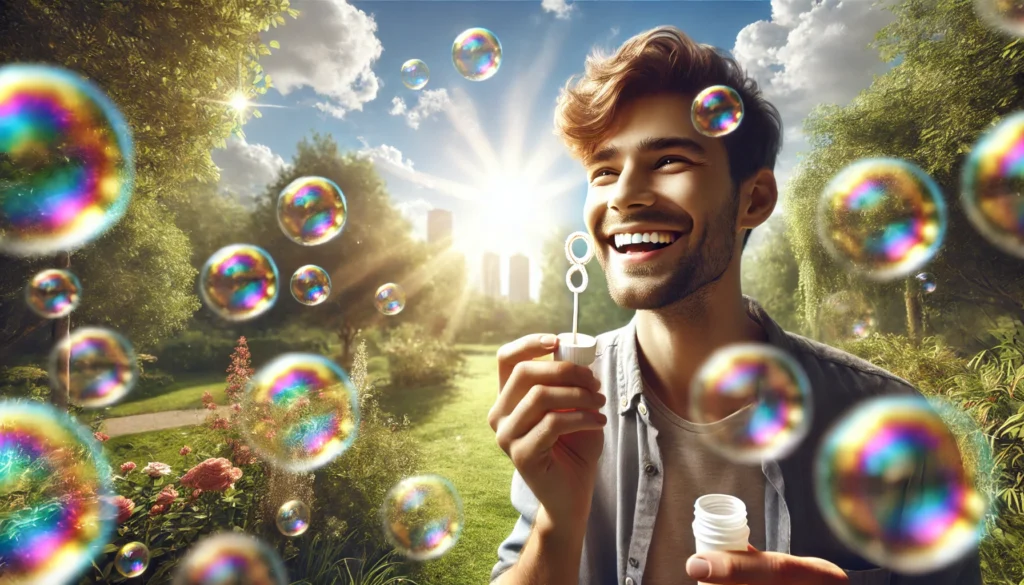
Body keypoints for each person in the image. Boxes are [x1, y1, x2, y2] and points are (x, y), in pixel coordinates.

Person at [486, 26, 982, 585]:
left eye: (670, 159)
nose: (623, 195)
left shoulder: (897, 426)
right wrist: (558, 521)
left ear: (755, 199)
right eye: (603, 171)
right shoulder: (567, 399)